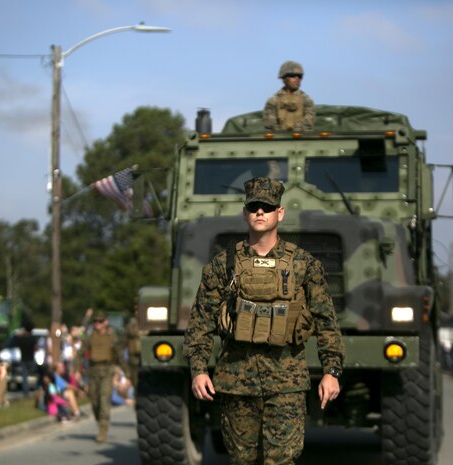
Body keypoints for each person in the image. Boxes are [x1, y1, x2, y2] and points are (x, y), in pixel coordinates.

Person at [183, 176, 345, 465]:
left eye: (267, 207)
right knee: (241, 460)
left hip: (286, 382)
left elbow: (326, 321)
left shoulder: (304, 265)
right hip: (236, 381)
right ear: (245, 212)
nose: (260, 212)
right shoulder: (223, 265)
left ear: (279, 213)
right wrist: (198, 370)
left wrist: (331, 371)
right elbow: (202, 321)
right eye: (254, 206)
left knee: (280, 462)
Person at [76, 310, 126, 443]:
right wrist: (76, 370)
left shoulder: (112, 337)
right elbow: (81, 353)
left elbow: (120, 355)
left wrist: (126, 372)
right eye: (95, 322)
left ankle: (102, 430)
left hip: (107, 372)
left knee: (104, 400)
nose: (97, 324)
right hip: (92, 372)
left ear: (106, 322)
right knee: (94, 402)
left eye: (100, 321)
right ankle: (101, 422)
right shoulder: (90, 337)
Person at [263, 60, 315, 132]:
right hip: (279, 139)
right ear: (284, 78)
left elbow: (308, 122)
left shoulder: (306, 100)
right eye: (292, 75)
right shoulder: (273, 101)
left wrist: (298, 130)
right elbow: (270, 124)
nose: (297, 79)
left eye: (300, 76)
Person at [16, 324, 38, 397]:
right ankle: (37, 388)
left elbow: (17, 342)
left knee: (24, 376)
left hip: (23, 359)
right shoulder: (32, 338)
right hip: (31, 358)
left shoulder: (21, 339)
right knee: (35, 373)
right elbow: (36, 348)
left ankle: (26, 392)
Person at [123, 310, 142, 388]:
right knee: (135, 376)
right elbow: (126, 337)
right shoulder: (131, 324)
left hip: (146, 354)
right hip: (134, 354)